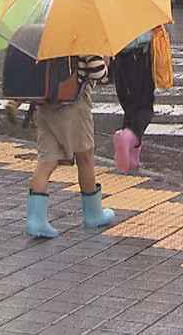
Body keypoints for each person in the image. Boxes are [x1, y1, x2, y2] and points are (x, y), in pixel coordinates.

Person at [25, 54, 115, 238]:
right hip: (74, 106)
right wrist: (105, 63)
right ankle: (93, 214)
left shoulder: (46, 36)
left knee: (46, 161)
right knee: (85, 157)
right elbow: (98, 73)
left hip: (44, 105)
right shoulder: (81, 36)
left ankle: (36, 220)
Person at [112, 29, 157, 172]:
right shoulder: (137, 9)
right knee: (145, 107)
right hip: (138, 55)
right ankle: (128, 137)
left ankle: (132, 158)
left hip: (119, 56)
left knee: (130, 106)